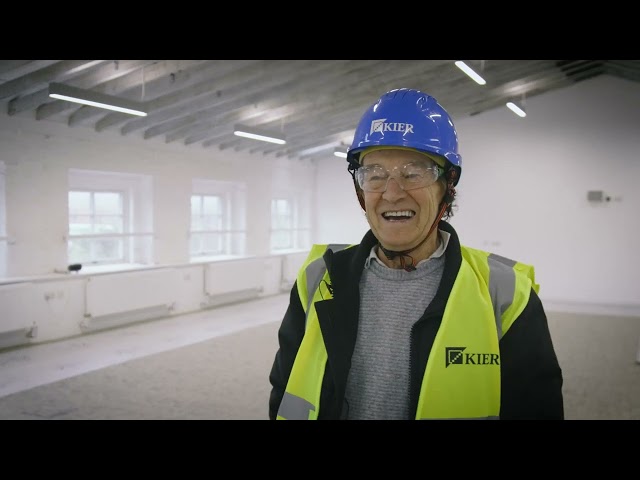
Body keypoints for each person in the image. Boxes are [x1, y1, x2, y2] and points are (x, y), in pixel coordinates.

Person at [268, 88, 564, 420]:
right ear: (360, 188)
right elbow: (284, 389)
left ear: (447, 186)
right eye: (375, 175)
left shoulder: (506, 295)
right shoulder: (318, 277)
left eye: (413, 173)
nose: (392, 193)